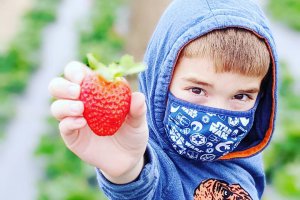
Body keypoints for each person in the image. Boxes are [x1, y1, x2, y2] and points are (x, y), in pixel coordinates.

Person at [48, 0, 278, 199]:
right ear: (161, 81)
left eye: (241, 96)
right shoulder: (150, 163)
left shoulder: (246, 156)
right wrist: (127, 174)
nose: (218, 112)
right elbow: (145, 189)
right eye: (197, 90)